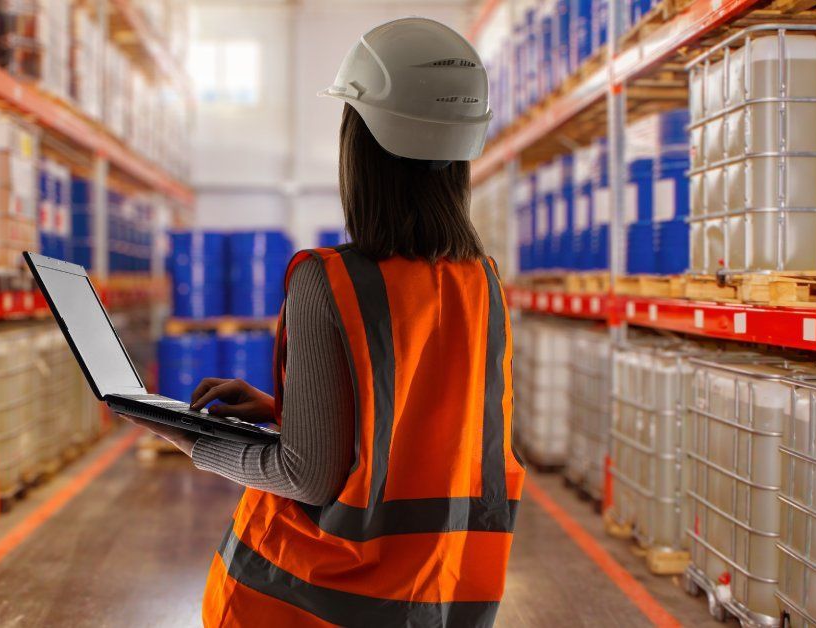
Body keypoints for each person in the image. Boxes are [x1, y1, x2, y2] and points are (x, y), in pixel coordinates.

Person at [136, 16, 526, 627]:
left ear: (360, 146)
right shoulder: (484, 284)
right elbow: (420, 436)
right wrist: (280, 409)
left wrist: (192, 439)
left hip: (311, 604)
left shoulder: (331, 280)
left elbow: (308, 477)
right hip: (436, 599)